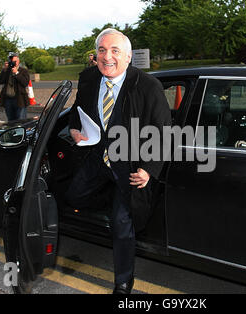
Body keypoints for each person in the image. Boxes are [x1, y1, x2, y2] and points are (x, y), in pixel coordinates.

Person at [65, 28, 171, 294]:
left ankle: (123, 282)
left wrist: (149, 169)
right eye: (101, 50)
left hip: (129, 166)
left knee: (122, 227)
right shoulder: (89, 79)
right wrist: (75, 130)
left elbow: (163, 130)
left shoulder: (147, 86)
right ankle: (111, 197)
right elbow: (76, 113)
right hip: (97, 160)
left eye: (114, 51)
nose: (107, 56)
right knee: (73, 196)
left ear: (128, 57)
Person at [0, 53, 30, 121]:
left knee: (21, 121)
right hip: (8, 100)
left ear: (18, 61)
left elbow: (25, 83)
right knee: (11, 121)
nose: (13, 63)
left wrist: (16, 73)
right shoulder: (7, 71)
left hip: (19, 99)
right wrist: (4, 70)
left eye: (15, 61)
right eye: (12, 61)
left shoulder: (23, 71)